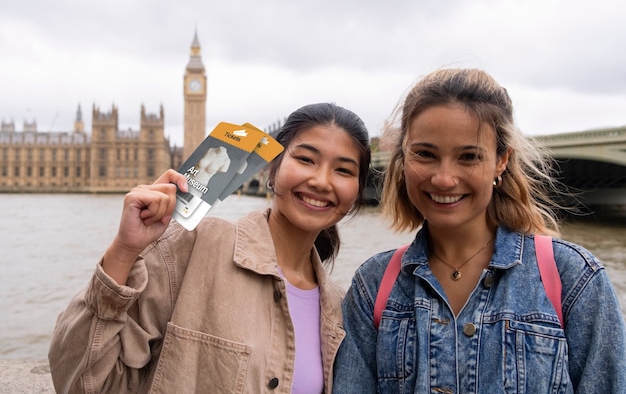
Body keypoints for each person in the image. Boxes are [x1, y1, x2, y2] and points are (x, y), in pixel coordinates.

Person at [333, 68, 626, 393]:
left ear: (501, 160)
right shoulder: (372, 287)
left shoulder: (574, 280)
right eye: (425, 154)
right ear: (402, 159)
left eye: (469, 156)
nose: (444, 178)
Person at [49, 102, 371, 394]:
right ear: (271, 168)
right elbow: (81, 383)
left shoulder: (343, 309)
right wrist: (124, 250)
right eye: (305, 159)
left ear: (356, 191)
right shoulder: (190, 248)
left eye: (343, 170)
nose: (321, 180)